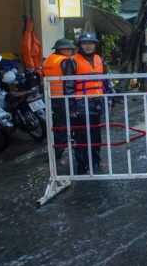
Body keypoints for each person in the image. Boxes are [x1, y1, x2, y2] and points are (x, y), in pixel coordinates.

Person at [61, 32, 114, 175]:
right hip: (81, 104)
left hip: (97, 103)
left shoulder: (99, 59)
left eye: (91, 43)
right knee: (82, 136)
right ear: (80, 45)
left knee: (96, 135)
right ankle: (83, 167)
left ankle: (95, 162)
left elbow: (105, 81)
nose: (88, 45)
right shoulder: (72, 61)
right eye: (85, 43)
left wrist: (109, 99)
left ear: (95, 45)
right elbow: (68, 85)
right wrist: (71, 105)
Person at [42, 38, 76, 163]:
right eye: (70, 49)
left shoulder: (48, 60)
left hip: (52, 97)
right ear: (63, 50)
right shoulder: (65, 61)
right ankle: (56, 155)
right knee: (63, 127)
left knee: (56, 126)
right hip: (63, 97)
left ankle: (55, 152)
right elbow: (70, 81)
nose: (71, 52)